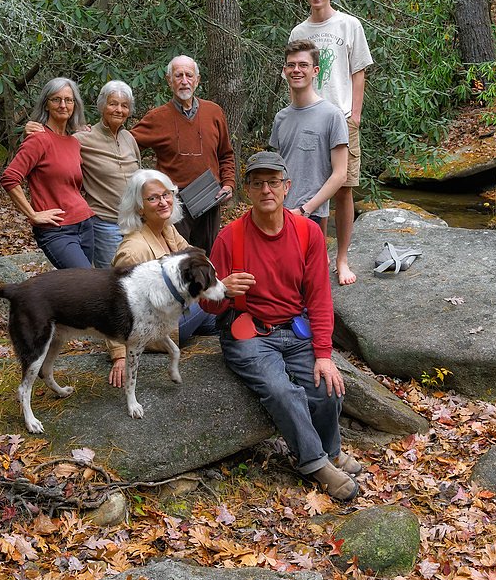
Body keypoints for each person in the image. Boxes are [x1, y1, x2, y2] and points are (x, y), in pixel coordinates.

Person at [202, 151, 361, 501]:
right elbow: (205, 302)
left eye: (273, 182)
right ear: (247, 191)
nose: (266, 190)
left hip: (295, 329)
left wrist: (324, 353)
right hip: (248, 334)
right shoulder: (231, 238)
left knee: (328, 387)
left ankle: (332, 450)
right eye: (257, 183)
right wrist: (222, 289)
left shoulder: (307, 233)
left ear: (287, 187)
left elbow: (319, 297)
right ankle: (316, 464)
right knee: (282, 391)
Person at [289, 0, 374, 286]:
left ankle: (342, 259)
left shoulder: (349, 25)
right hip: (309, 118)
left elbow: (358, 71)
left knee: (344, 189)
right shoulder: (299, 32)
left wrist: (356, 114)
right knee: (313, 190)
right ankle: (320, 256)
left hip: (341, 117)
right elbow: (294, 76)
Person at [106, 169, 217, 387]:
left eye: (166, 194)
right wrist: (119, 355)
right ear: (139, 207)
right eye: (153, 198)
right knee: (213, 299)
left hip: (173, 316)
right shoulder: (133, 251)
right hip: (156, 331)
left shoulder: (166, 229)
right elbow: (114, 304)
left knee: (221, 319)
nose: (163, 202)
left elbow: (193, 255)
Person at [23, 81, 142, 267]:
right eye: (113, 104)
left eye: (124, 105)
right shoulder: (82, 139)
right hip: (105, 223)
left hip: (135, 224)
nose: (119, 110)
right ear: (102, 106)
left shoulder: (129, 139)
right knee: (110, 282)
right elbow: (49, 150)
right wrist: (30, 130)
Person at [130, 55, 236, 255]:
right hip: (174, 202)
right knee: (178, 259)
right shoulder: (157, 117)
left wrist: (228, 183)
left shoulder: (214, 112)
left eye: (189, 75)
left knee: (207, 257)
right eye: (178, 76)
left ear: (197, 80)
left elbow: (226, 154)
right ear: (169, 81)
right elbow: (126, 144)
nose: (184, 81)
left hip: (209, 199)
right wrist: (100, 133)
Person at [1, 77, 95, 269]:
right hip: (57, 230)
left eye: (68, 100)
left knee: (84, 289)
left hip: (85, 224)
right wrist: (33, 214)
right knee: (85, 283)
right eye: (56, 99)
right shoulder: (39, 139)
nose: (63, 105)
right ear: (46, 105)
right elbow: (10, 177)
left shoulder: (74, 142)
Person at [270, 39, 348, 231]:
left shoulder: (332, 115)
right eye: (291, 65)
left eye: (303, 65)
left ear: (315, 71)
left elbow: (340, 175)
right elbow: (278, 168)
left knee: (312, 262)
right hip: (280, 211)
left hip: (312, 215)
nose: (296, 70)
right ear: (285, 70)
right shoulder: (281, 118)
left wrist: (305, 209)